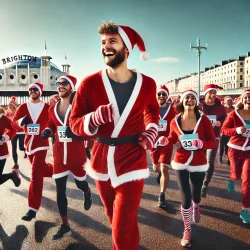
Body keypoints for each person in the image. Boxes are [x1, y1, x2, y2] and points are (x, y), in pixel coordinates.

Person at [69, 21, 159, 249]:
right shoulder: (89, 83)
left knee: (120, 232)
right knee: (119, 223)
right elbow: (74, 123)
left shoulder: (147, 84)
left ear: (126, 49)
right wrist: (93, 119)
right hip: (101, 162)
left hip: (132, 159)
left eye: (112, 41)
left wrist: (151, 129)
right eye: (103, 42)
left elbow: (152, 111)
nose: (105, 46)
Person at [41, 74, 92, 240]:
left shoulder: (79, 107)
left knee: (80, 183)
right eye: (58, 83)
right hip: (59, 155)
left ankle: (87, 191)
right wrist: (48, 131)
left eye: (64, 83)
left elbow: (88, 128)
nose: (60, 85)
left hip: (76, 155)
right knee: (60, 191)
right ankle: (65, 225)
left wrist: (76, 134)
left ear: (71, 87)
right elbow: (51, 124)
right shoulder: (51, 109)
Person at [166, 90, 215, 247]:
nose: (189, 100)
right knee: (185, 197)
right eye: (186, 97)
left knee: (195, 196)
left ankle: (197, 205)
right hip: (180, 162)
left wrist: (202, 144)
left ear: (196, 102)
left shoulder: (204, 120)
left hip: (199, 163)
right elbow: (172, 138)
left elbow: (212, 141)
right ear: (182, 101)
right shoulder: (175, 121)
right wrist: (163, 140)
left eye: (192, 97)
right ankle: (187, 229)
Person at [12, 82, 53, 221]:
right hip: (29, 146)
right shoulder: (23, 107)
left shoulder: (47, 107)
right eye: (30, 89)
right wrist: (21, 121)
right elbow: (13, 124)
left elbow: (54, 123)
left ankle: (32, 208)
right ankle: (59, 170)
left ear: (40, 91)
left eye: (35, 89)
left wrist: (50, 131)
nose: (32, 91)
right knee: (42, 170)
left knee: (35, 175)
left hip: (41, 145)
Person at [221, 89, 250, 223]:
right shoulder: (234, 114)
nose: (248, 99)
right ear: (242, 99)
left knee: (246, 180)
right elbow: (224, 130)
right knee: (236, 174)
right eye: (246, 97)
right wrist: (236, 130)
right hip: (235, 149)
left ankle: (245, 210)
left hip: (249, 151)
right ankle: (232, 178)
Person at [150, 84, 175, 207]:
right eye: (159, 94)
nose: (161, 96)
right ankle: (159, 174)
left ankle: (162, 195)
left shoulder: (173, 109)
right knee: (156, 168)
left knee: (164, 168)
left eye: (164, 94)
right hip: (154, 143)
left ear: (167, 96)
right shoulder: (150, 109)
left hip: (167, 142)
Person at [199, 84, 227, 197]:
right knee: (199, 161)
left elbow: (226, 122)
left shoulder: (220, 108)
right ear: (205, 94)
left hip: (213, 137)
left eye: (214, 93)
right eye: (210, 93)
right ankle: (198, 182)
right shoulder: (199, 106)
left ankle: (205, 183)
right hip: (199, 137)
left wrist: (220, 124)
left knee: (210, 162)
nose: (213, 95)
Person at [0, 107, 21, 187]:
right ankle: (12, 175)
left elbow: (13, 128)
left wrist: (4, 138)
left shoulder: (3, 118)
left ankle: (12, 175)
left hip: (1, 152)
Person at [6, 96, 26, 170]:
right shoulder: (8, 113)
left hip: (21, 132)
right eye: (9, 105)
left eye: (11, 105)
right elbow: (5, 123)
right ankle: (16, 164)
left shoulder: (19, 112)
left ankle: (25, 151)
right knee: (13, 149)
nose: (9, 107)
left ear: (14, 105)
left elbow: (24, 120)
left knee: (21, 147)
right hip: (13, 133)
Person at [219, 96, 234, 164]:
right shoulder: (222, 109)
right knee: (222, 144)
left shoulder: (234, 109)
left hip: (231, 129)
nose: (229, 102)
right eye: (228, 101)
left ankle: (228, 158)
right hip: (223, 128)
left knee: (229, 144)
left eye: (230, 101)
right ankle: (220, 157)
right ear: (225, 102)